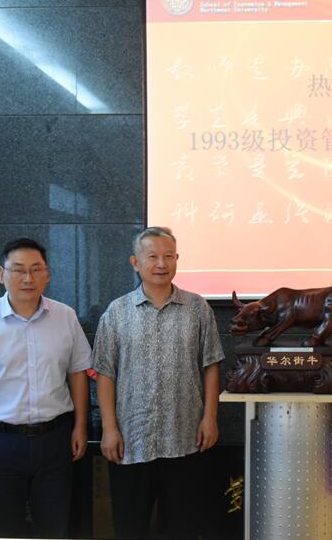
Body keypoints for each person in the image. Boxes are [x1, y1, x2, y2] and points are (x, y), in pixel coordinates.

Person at [0, 238, 91, 538]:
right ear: (2, 274)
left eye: (36, 269)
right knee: (3, 528)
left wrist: (80, 427)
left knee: (55, 526)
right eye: (18, 270)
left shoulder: (65, 316)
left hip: (55, 440)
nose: (28, 278)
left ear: (47, 274)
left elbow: (77, 374)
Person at [92, 226, 225, 539]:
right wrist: (109, 429)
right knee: (130, 529)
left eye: (168, 256)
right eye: (152, 257)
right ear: (135, 262)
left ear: (177, 259)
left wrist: (210, 418)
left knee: (183, 529)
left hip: (185, 438)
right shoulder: (117, 312)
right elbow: (105, 373)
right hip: (131, 441)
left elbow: (211, 365)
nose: (161, 264)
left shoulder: (197, 308)